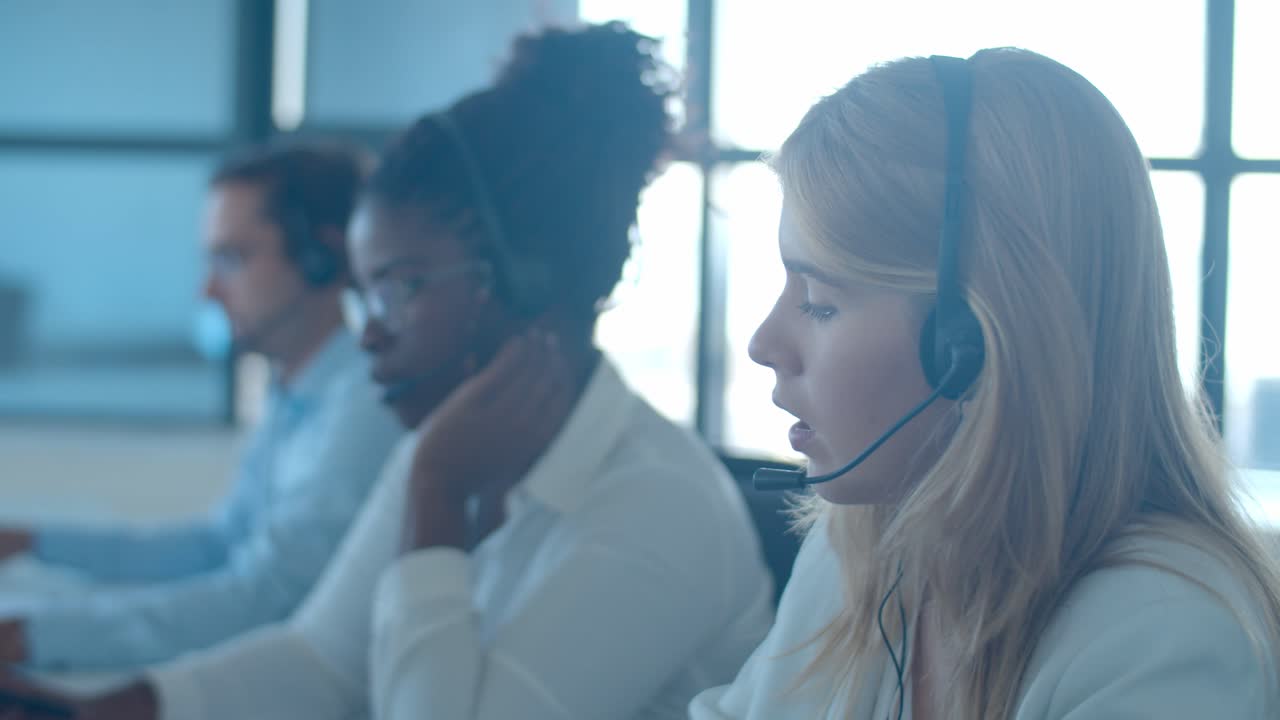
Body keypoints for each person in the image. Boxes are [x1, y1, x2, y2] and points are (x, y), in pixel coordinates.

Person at [0, 22, 774, 720]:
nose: (367, 334)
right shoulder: (440, 445)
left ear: (527, 283)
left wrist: (435, 498)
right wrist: (92, 711)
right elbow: (317, 662)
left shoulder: (651, 504)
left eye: (401, 287)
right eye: (366, 292)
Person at [690, 49, 1280, 719]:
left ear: (965, 344)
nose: (765, 344)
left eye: (821, 302)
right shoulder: (859, 550)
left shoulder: (1162, 633)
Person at [0, 144, 403, 672]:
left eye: (231, 259)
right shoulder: (295, 394)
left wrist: (33, 636)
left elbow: (270, 597)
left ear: (319, 258)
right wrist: (33, 542)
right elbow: (215, 548)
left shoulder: (364, 402)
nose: (209, 290)